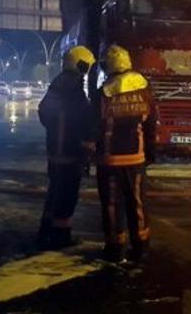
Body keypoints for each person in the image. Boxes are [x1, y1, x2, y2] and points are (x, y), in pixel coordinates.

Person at [95, 44, 157, 262]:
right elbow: (151, 124)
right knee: (137, 203)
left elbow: (95, 126)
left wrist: (92, 154)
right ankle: (141, 246)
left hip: (110, 160)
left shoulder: (104, 92)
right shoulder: (143, 88)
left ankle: (115, 248)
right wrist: (150, 153)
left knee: (112, 205)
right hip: (136, 158)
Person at [36, 45, 96, 249]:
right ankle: (61, 237)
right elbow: (83, 119)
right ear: (81, 65)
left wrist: (55, 130)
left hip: (55, 150)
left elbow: (43, 110)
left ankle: (46, 231)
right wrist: (85, 141)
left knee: (55, 192)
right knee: (67, 196)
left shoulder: (57, 84)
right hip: (70, 152)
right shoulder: (74, 88)